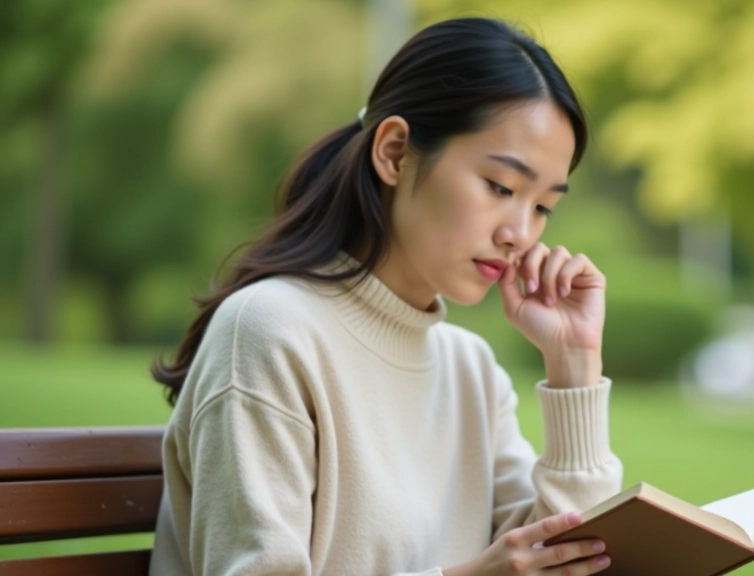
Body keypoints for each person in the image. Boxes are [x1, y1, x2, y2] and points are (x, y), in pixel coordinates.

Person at [148, 17, 623, 576]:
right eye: (501, 187)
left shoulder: (471, 371)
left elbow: (567, 556)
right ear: (395, 152)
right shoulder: (269, 332)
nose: (520, 232)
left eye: (543, 206)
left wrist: (575, 365)